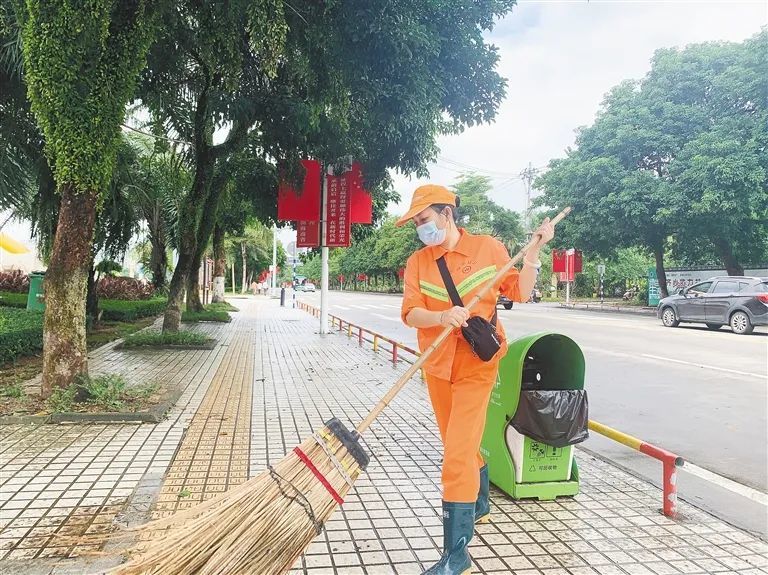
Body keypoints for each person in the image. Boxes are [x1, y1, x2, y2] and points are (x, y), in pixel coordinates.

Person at [397, 184, 554, 575]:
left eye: (425, 220)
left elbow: (520, 291)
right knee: (458, 443)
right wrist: (440, 317)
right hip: (437, 366)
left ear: (446, 214)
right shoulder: (419, 262)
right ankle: (479, 502)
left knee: (454, 456)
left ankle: (457, 555)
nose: (421, 228)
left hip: (476, 366)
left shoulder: (489, 249)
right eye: (416, 223)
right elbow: (410, 312)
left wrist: (535, 249)